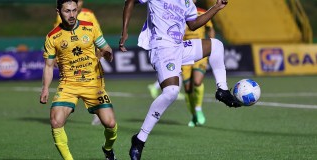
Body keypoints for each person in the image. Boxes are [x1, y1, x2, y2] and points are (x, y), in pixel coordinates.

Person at [119, 0, 241, 159]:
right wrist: (125, 31)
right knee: (171, 92)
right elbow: (130, 1)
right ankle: (140, 139)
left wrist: (216, 7)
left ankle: (222, 90)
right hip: (161, 48)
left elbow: (194, 24)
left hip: (179, 47)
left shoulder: (186, 2)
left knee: (216, 45)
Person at [40, 0, 117, 160]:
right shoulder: (52, 37)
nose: (72, 15)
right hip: (68, 84)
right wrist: (45, 88)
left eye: (74, 10)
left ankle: (108, 149)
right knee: (56, 122)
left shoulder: (90, 26)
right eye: (67, 11)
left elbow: (105, 47)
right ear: (58, 11)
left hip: (93, 83)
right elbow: (48, 66)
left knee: (110, 124)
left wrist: (108, 53)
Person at [55, 0, 103, 126]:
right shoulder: (62, 14)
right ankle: (64, 111)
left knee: (93, 86)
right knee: (72, 85)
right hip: (70, 58)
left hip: (88, 57)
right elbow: (57, 32)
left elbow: (97, 32)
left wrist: (100, 50)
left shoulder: (89, 14)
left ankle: (98, 113)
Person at [182, 0, 216, 127]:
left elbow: (210, 28)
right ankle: (193, 115)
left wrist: (212, 44)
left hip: (200, 51)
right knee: (188, 88)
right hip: (184, 53)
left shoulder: (202, 12)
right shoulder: (179, 12)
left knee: (197, 82)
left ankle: (198, 109)